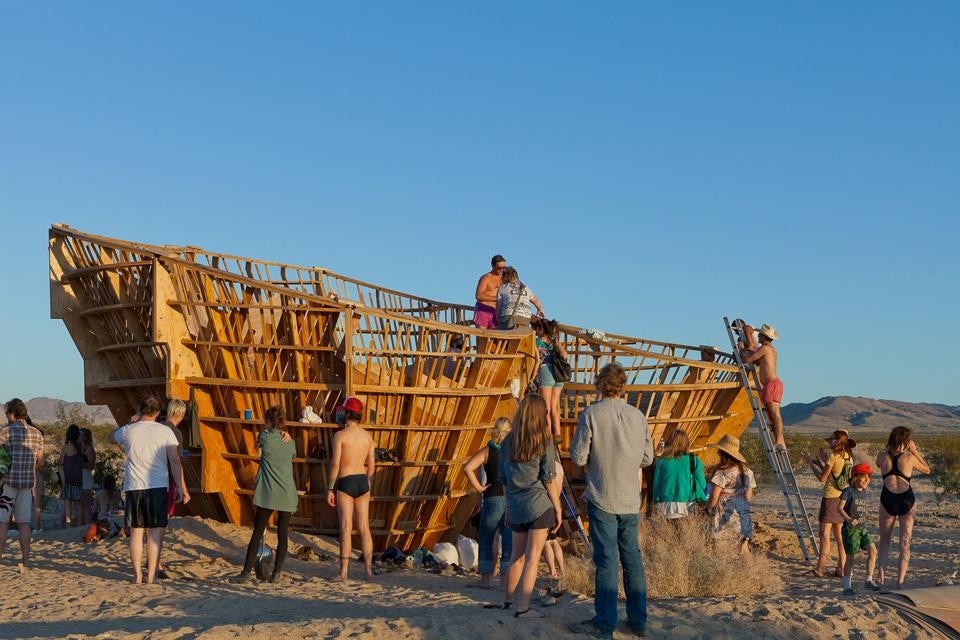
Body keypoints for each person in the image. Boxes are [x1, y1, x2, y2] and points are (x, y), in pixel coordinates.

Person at [569, 363, 653, 639]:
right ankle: (638, 620)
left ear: (601, 385)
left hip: (602, 494)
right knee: (632, 559)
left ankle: (605, 623)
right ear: (623, 387)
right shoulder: (638, 416)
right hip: (629, 498)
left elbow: (579, 457)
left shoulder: (591, 414)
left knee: (606, 560)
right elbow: (647, 458)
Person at [108, 395, 190, 584]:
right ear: (159, 412)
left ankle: (137, 574)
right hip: (157, 486)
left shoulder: (128, 430)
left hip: (134, 486)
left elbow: (110, 437)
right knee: (154, 532)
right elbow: (175, 461)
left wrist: (131, 421)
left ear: (140, 409)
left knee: (136, 532)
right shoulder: (164, 432)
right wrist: (180, 487)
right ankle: (151, 574)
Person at [499, 394, 562, 620]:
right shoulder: (543, 440)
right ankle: (523, 607)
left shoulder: (507, 442)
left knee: (516, 555)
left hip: (515, 504)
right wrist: (558, 507)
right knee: (533, 556)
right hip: (538, 503)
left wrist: (507, 508)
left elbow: (504, 480)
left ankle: (508, 601)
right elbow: (548, 478)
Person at [231, 405, 298, 584]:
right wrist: (287, 435)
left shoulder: (265, 437)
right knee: (282, 534)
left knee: (257, 532)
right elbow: (291, 452)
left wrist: (274, 430)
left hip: (268, 493)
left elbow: (262, 438)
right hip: (287, 493)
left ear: (268, 421)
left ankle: (246, 572)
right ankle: (277, 573)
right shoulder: (289, 442)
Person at [327, 397, 375, 581]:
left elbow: (335, 464)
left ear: (347, 413)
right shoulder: (367, 437)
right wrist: (369, 484)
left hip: (346, 481)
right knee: (364, 527)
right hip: (363, 481)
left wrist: (329, 489)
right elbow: (372, 463)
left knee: (346, 527)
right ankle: (368, 572)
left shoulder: (340, 436)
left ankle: (343, 572)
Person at [876, 426, 930, 590]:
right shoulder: (909, 457)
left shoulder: (881, 455)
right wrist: (915, 451)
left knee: (884, 543)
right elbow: (927, 470)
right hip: (906, 499)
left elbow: (879, 465)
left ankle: (881, 580)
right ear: (906, 441)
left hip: (887, 499)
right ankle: (899, 582)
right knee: (905, 543)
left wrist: (890, 451)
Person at [463, 417, 513, 589]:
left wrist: (479, 487)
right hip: (510, 499)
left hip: (491, 497)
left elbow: (468, 467)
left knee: (486, 538)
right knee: (508, 539)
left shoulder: (487, 451)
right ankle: (505, 580)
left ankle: (486, 579)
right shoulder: (513, 452)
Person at [0, 398, 45, 567]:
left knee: (2, 521)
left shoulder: (7, 431)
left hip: (9, 482)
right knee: (24, 523)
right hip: (27, 483)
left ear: (12, 413)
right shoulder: (37, 433)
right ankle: (26, 560)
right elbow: (41, 462)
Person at [807, 429, 856, 578]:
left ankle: (820, 568)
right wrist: (822, 461)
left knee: (824, 535)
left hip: (830, 498)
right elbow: (833, 474)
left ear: (838, 441)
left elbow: (822, 478)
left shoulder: (833, 456)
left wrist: (810, 463)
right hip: (843, 499)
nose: (830, 442)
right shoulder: (849, 457)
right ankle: (841, 568)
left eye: (833, 439)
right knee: (839, 536)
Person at [706, 435, 756, 553]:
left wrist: (709, 509)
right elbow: (748, 496)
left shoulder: (721, 472)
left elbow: (714, 496)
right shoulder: (748, 471)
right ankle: (750, 571)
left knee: (721, 548)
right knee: (743, 548)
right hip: (742, 514)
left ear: (723, 454)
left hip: (725, 514)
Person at [740, 324, 785, 449]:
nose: (758, 336)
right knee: (772, 415)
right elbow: (758, 362)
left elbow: (748, 359)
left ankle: (780, 440)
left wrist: (742, 350)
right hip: (772, 384)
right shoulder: (771, 350)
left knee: (775, 414)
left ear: (765, 337)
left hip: (772, 384)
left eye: (760, 335)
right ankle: (779, 440)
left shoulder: (765, 349)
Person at [838, 462, 880, 595]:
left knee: (873, 550)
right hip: (850, 530)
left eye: (869, 477)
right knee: (851, 559)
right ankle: (846, 587)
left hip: (863, 529)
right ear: (855, 478)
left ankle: (868, 580)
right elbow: (839, 508)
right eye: (864, 476)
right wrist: (849, 519)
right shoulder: (848, 491)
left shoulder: (864, 493)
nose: (867, 479)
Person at [157, 398, 187, 579]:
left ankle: (152, 557)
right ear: (180, 414)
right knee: (162, 522)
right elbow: (176, 461)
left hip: (151, 479)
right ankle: (157, 561)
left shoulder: (157, 427)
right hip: (167, 479)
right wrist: (182, 488)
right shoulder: (175, 432)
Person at [652, 429, 707, 520]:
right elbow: (702, 484)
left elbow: (656, 486)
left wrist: (655, 504)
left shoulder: (662, 461)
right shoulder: (693, 460)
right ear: (686, 443)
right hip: (688, 506)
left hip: (666, 507)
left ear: (669, 442)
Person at [533, 318, 567, 439]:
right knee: (554, 407)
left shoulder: (536, 343)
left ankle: (547, 437)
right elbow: (564, 355)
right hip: (559, 374)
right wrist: (557, 342)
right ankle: (557, 436)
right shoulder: (553, 343)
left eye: (537, 328)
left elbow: (537, 361)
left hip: (546, 370)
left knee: (545, 407)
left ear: (541, 329)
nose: (535, 331)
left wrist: (532, 378)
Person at [59, 424, 83, 527]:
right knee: (78, 503)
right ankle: (79, 523)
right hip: (78, 478)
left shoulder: (67, 447)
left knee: (67, 503)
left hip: (68, 478)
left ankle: (68, 524)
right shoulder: (80, 447)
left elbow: (61, 462)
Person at [474, 254, 506, 329]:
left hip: (496, 311)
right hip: (483, 309)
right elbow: (478, 295)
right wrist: (496, 298)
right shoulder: (486, 278)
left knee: (495, 338)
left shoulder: (504, 279)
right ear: (493, 266)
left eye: (504, 268)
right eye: (499, 268)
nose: (502, 270)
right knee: (482, 336)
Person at [78, 428, 96, 525]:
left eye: (81, 435)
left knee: (86, 504)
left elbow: (91, 466)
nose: (79, 437)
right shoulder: (80, 449)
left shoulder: (90, 450)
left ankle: (87, 525)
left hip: (86, 477)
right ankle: (80, 525)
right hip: (80, 478)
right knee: (80, 504)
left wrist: (80, 463)